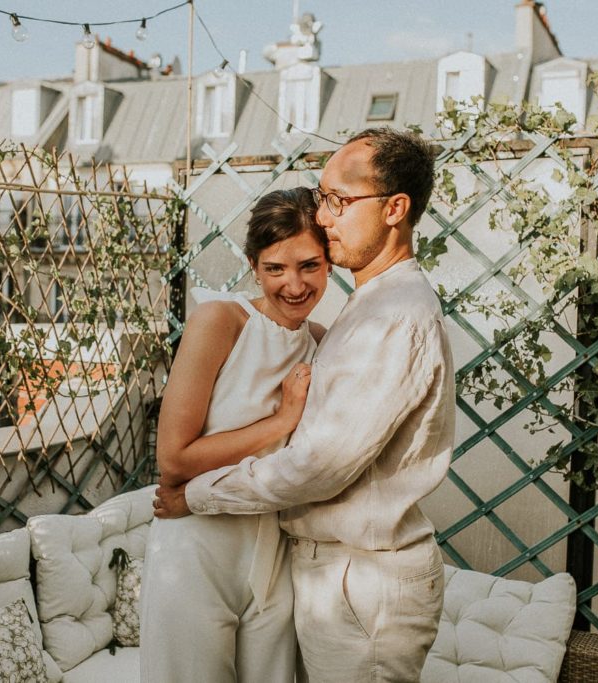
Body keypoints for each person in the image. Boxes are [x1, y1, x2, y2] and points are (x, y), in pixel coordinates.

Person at [155, 127, 456, 682]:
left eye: (338, 200)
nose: (324, 215)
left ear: (395, 208)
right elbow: (176, 453)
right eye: (322, 198)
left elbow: (317, 465)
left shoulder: (393, 318)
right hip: (315, 575)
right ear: (253, 265)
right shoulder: (362, 312)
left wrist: (196, 496)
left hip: (358, 586)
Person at [139, 187, 331, 682]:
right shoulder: (220, 320)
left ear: (330, 263)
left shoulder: (323, 344)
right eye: (275, 268)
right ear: (253, 265)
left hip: (276, 551)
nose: (294, 284)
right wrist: (280, 421)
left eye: (309, 265)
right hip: (197, 550)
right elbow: (175, 460)